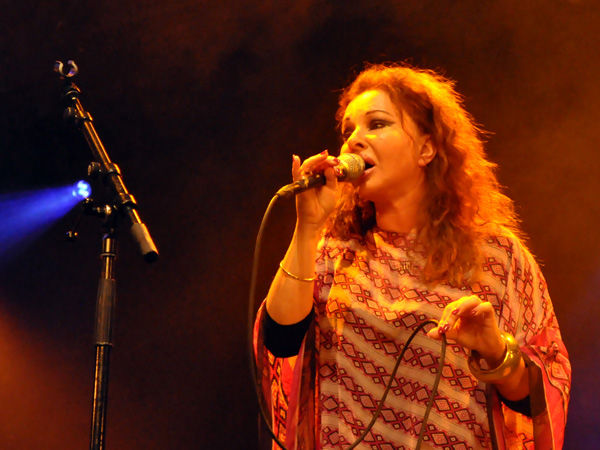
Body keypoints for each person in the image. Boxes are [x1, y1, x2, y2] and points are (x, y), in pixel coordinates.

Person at [253, 62, 571, 449]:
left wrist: (494, 350)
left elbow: (541, 396)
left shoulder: (496, 257)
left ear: (427, 148)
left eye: (377, 124)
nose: (354, 139)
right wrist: (306, 228)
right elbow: (279, 341)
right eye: (347, 130)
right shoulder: (334, 252)